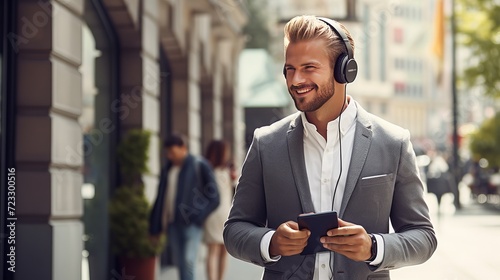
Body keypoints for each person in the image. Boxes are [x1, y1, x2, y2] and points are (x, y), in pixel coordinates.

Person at [223, 15, 437, 279]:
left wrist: (373, 247)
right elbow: (235, 230)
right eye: (289, 69)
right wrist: (271, 242)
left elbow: (424, 237)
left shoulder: (393, 142)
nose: (295, 80)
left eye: (308, 68)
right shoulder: (266, 143)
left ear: (344, 70)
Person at [149, 133, 220, 280]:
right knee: (180, 263)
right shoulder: (167, 169)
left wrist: (198, 216)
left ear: (183, 148)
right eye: (167, 153)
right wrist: (154, 226)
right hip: (172, 223)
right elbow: (161, 198)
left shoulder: (199, 165)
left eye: (173, 152)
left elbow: (214, 197)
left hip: (192, 225)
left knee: (188, 261)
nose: (170, 156)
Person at [203, 140, 234, 280]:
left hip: (211, 215)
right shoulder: (228, 172)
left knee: (212, 251)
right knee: (223, 251)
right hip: (226, 214)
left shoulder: (207, 171)